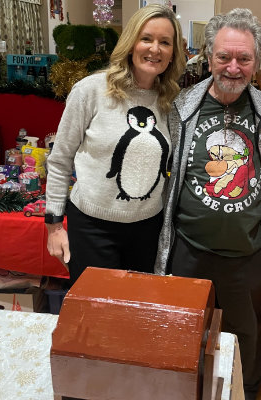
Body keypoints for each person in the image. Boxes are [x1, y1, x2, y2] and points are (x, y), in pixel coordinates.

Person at [156, 9, 261, 399]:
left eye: (245, 59)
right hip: (189, 249)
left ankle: (246, 393)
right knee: (184, 336)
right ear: (209, 57)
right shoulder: (181, 106)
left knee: (246, 343)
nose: (234, 67)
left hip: (246, 254)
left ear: (256, 63)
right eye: (225, 57)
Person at [45, 4, 185, 282]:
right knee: (95, 316)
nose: (155, 49)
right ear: (131, 43)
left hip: (147, 230)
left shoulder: (171, 101)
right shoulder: (91, 90)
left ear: (173, 53)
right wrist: (54, 227)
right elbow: (60, 160)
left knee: (134, 314)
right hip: (93, 228)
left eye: (165, 42)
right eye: (146, 38)